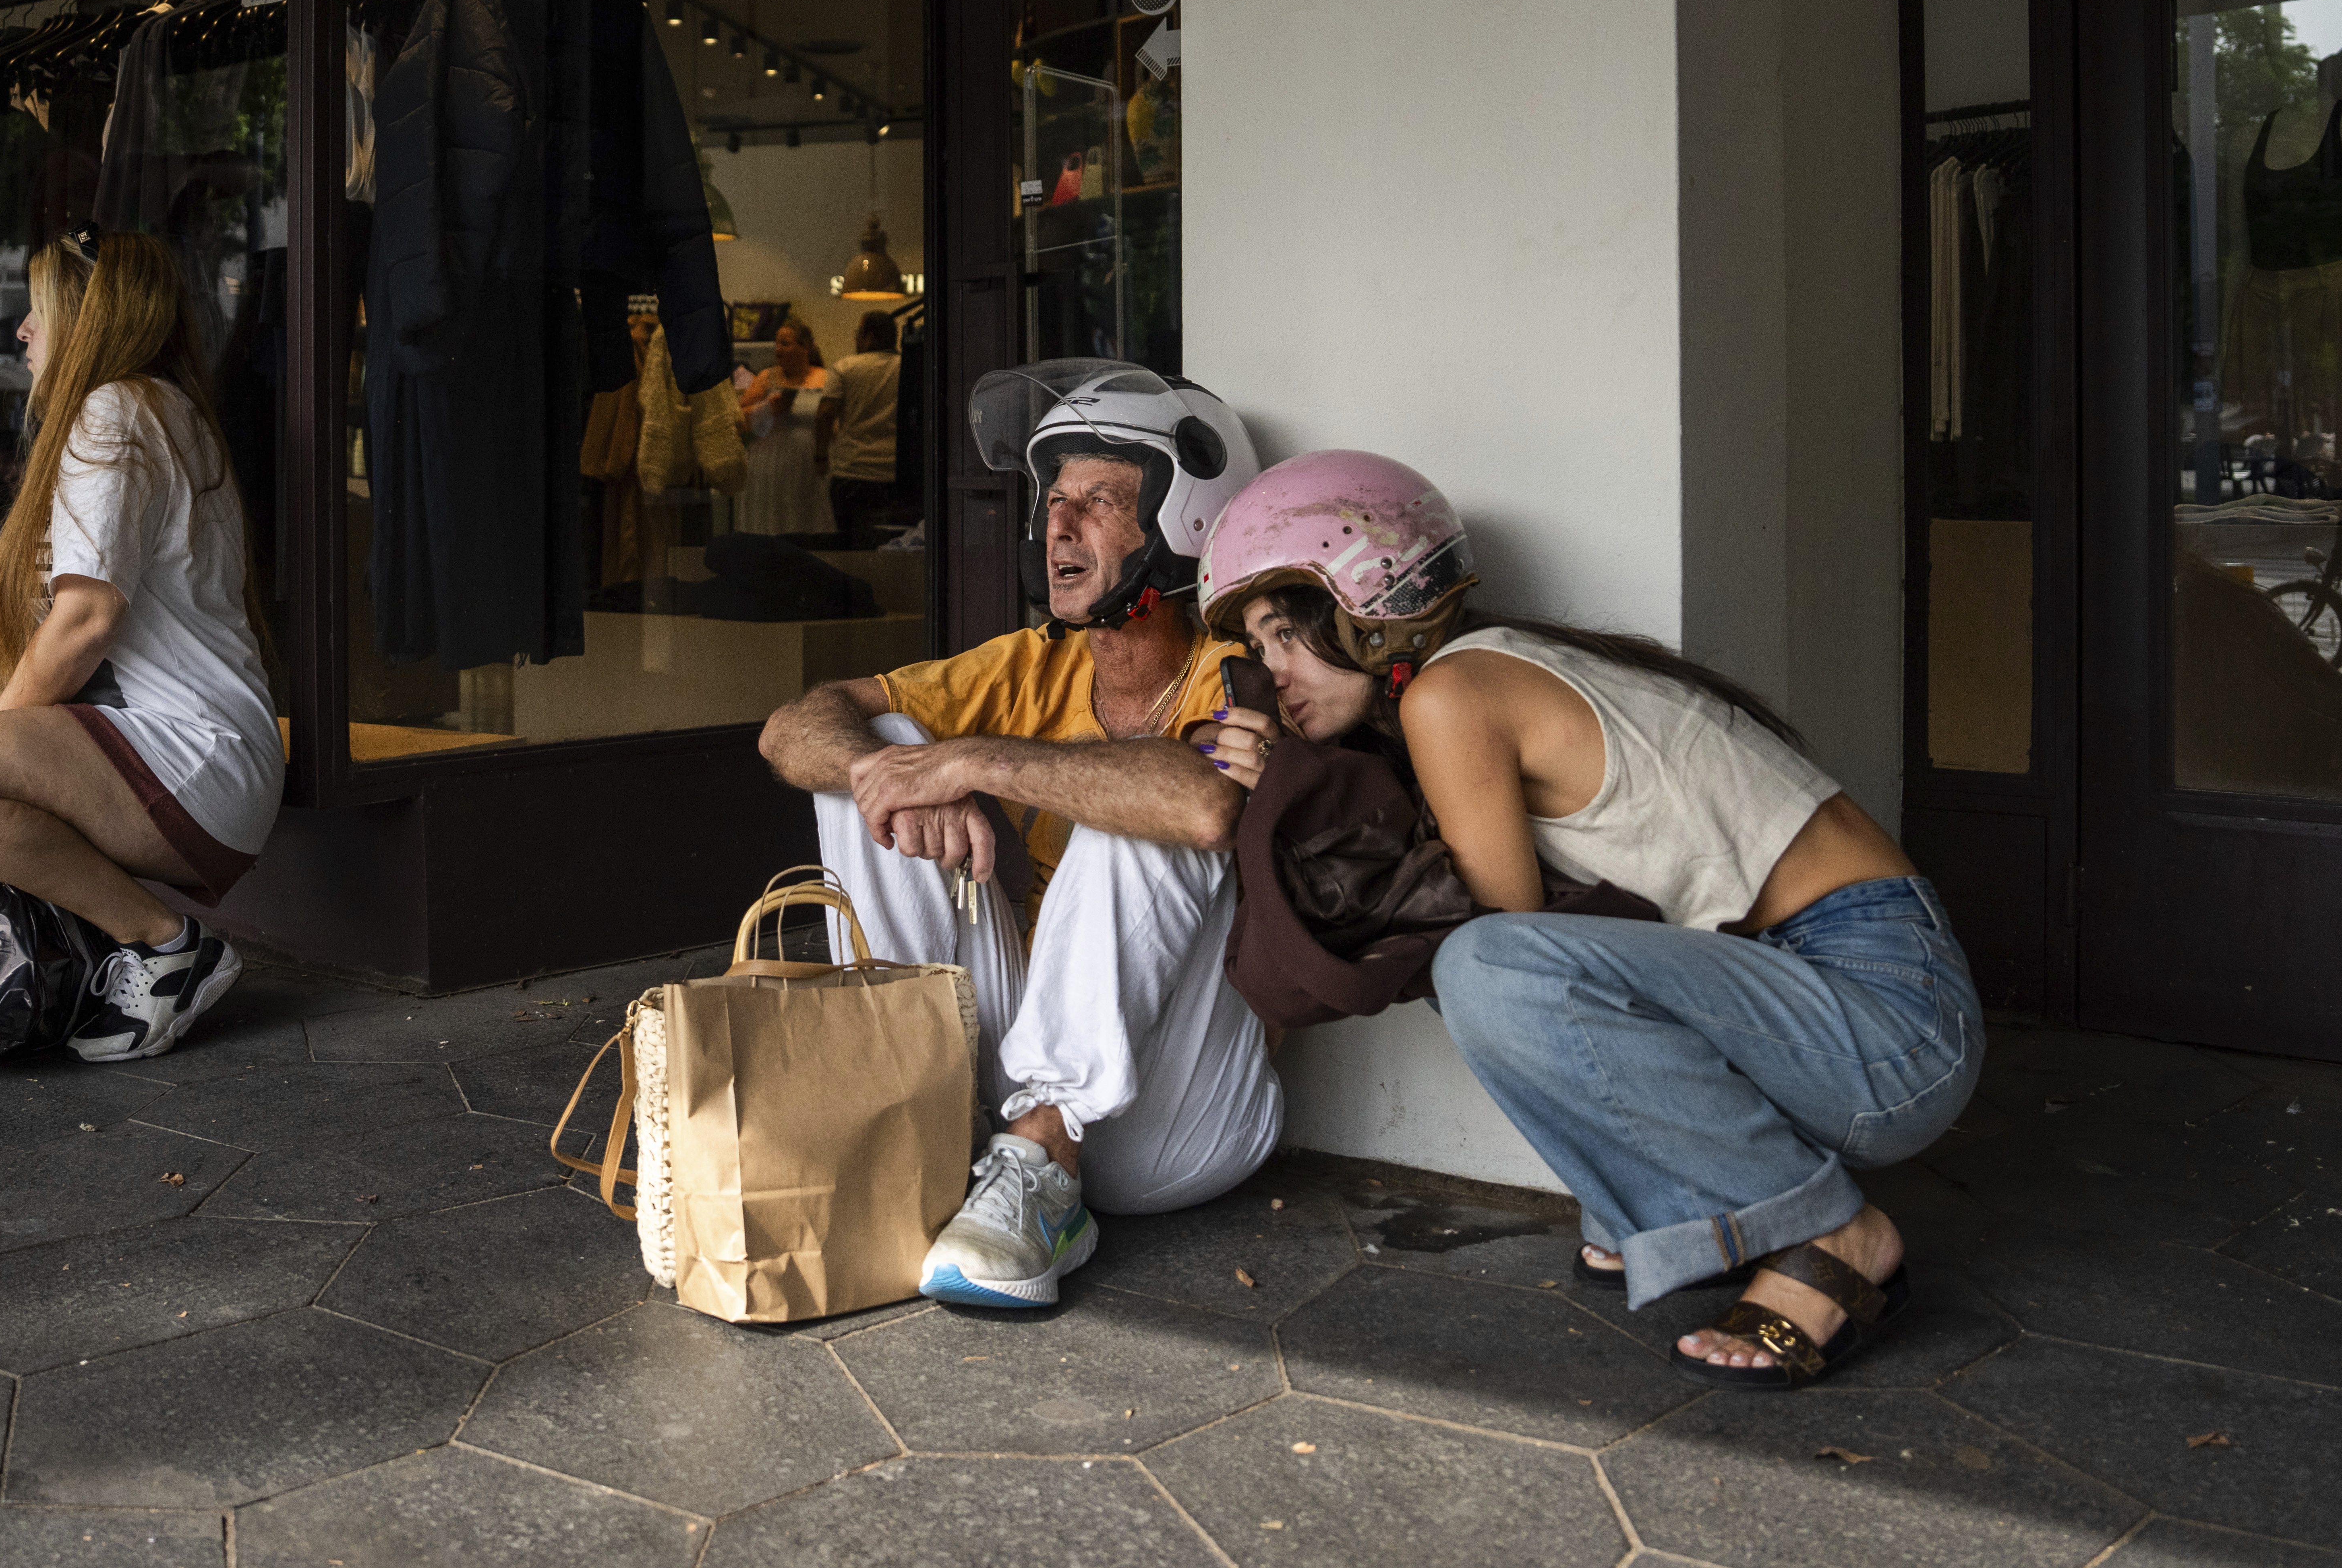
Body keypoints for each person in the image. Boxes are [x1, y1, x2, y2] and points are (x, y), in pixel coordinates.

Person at [1198, 450, 1983, 1389]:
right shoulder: (1478, 677)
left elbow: (1493, 929)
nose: (1273, 671)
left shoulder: (1454, 692)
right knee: (1488, 961)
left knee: (1486, 962)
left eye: (1288, 634)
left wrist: (1296, 783)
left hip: (1888, 1022)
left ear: (1373, 599)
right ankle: (1671, 1205)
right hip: (1841, 998)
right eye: (1260, 647)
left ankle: (1831, 1232)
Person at [760, 360, 1266, 1308]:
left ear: (1183, 522)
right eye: (1054, 500)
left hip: (1180, 1115)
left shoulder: (1237, 670)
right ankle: (919, 1125)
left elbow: (1204, 805)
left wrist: (977, 762)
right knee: (874, 756)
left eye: (1099, 503)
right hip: (1011, 1079)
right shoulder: (1030, 663)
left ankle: (1042, 1165)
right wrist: (897, 773)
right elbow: (792, 727)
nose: (1056, 527)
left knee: (1140, 803)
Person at [0, 227, 277, 1063]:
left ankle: (166, 945)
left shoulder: (118, 409)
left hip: (193, 755)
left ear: (88, 315)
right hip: (136, 737)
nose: (22, 331)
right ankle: (75, 930)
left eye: (38, 312)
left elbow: (83, 624)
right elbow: (43, 611)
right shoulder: (134, 407)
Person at [733, 320, 834, 537]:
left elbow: (833, 421)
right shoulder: (766, 378)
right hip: (769, 465)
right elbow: (737, 423)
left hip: (809, 464)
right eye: (777, 344)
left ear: (805, 347)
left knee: (807, 522)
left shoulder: (825, 378)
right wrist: (769, 407)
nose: (778, 350)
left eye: (786, 344)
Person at [818, 311, 902, 547]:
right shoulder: (907, 367)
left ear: (869, 338)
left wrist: (821, 456)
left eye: (858, 334)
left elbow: (825, 414)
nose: (856, 340)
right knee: (891, 544)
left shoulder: (845, 367)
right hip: (894, 472)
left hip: (852, 472)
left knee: (851, 545)